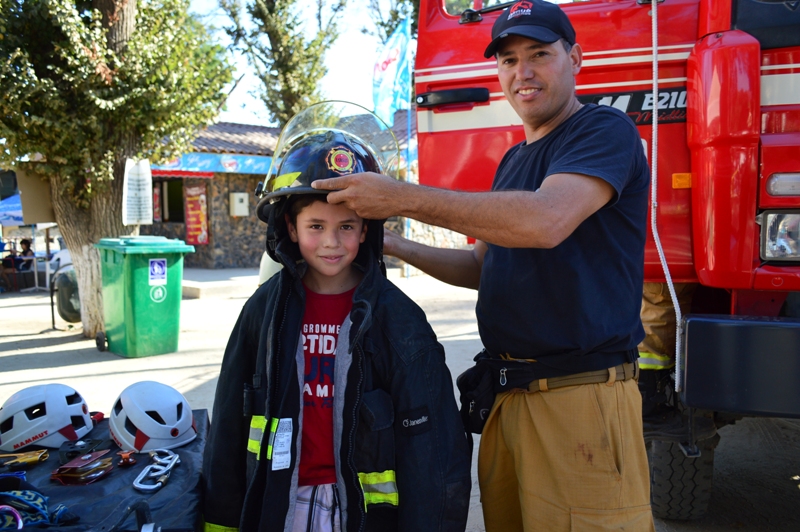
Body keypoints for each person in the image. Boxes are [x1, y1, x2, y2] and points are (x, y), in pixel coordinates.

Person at [312, 2, 655, 530]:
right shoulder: (514, 161)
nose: (523, 72)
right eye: (509, 60)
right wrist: (392, 245)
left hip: (581, 399)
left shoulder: (603, 130)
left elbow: (545, 220)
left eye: (539, 54)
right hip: (508, 398)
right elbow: (481, 267)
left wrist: (401, 196)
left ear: (575, 59)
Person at [202, 128, 471, 532]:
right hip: (280, 504)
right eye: (315, 226)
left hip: (363, 517)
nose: (331, 242)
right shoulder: (263, 312)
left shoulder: (399, 321)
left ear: (366, 231)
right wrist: (220, 521)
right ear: (291, 228)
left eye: (346, 226)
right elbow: (227, 425)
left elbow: (435, 449)